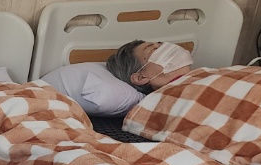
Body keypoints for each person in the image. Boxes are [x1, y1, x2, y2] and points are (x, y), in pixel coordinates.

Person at [36, 40, 193, 117]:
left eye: (161, 45)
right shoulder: (163, 107)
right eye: (154, 50)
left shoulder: (202, 76)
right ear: (140, 77)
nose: (167, 48)